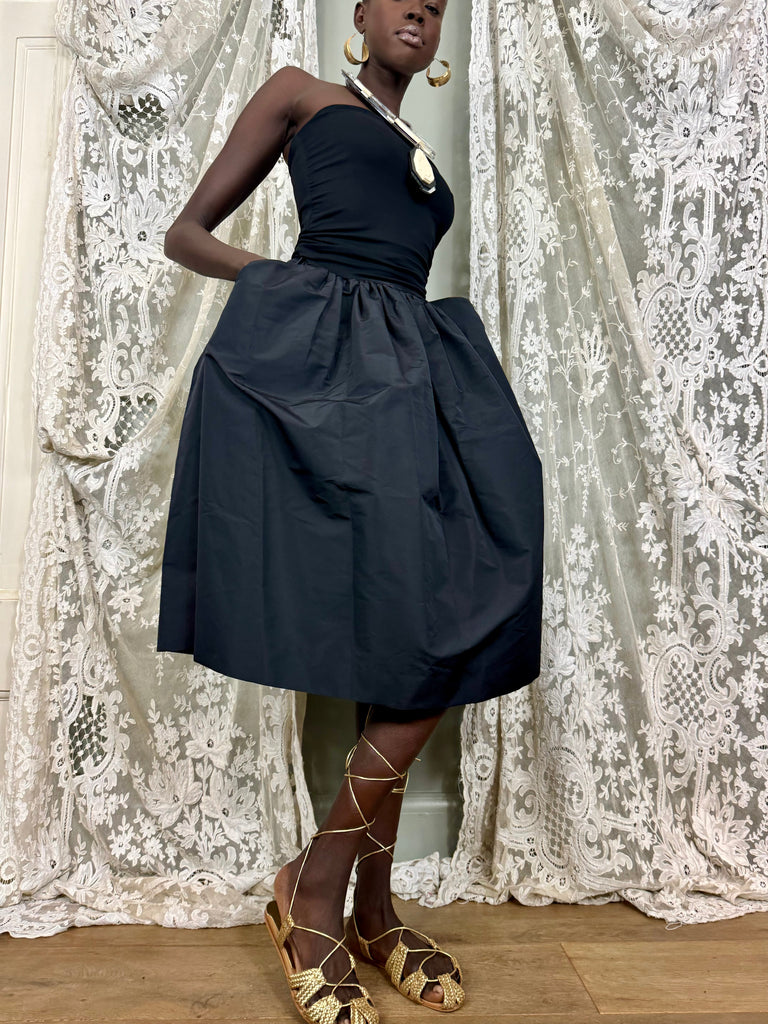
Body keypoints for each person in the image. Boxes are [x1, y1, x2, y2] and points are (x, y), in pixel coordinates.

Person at [156, 1, 544, 1021]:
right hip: (331, 376)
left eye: (438, 3)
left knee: (441, 614)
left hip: (419, 376)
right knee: (407, 633)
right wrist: (293, 287)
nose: (420, 8)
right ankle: (323, 895)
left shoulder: (414, 142)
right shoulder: (302, 94)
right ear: (361, 15)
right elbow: (186, 235)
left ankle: (362, 903)